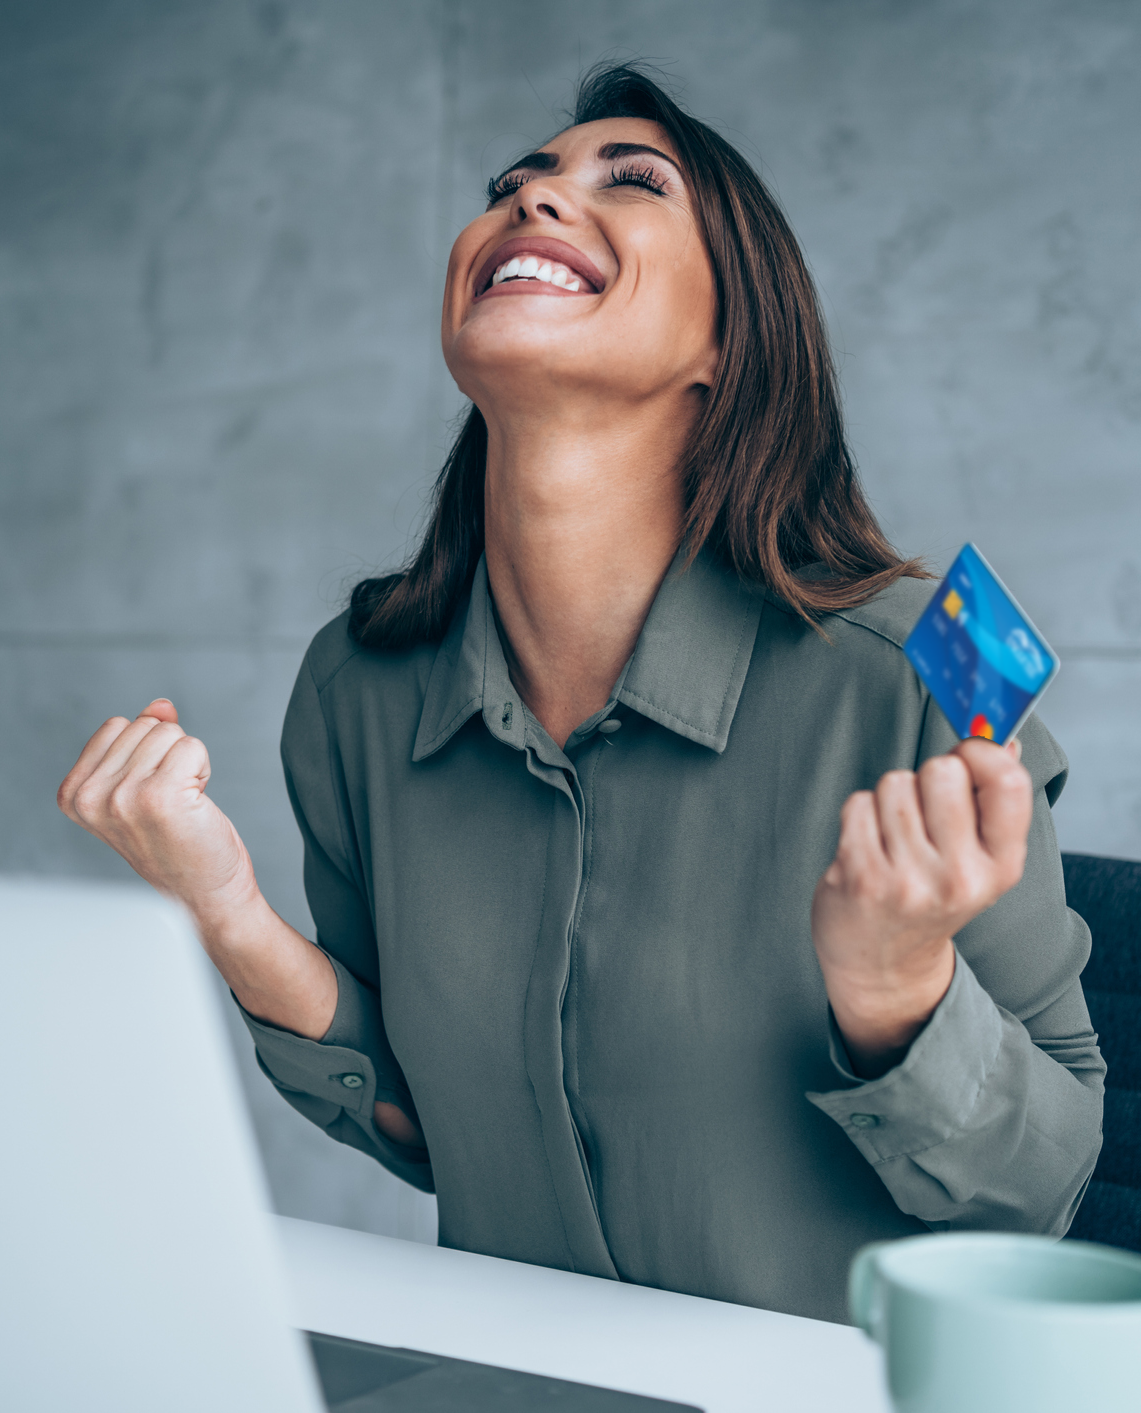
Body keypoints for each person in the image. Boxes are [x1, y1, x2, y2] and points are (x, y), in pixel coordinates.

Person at [57, 64, 1103, 1324]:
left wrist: (898, 991)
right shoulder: (353, 688)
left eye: (630, 180)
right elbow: (433, 1129)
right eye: (516, 184)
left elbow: (1047, 1202)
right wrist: (224, 911)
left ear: (728, 339)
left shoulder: (938, 655)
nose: (537, 201)